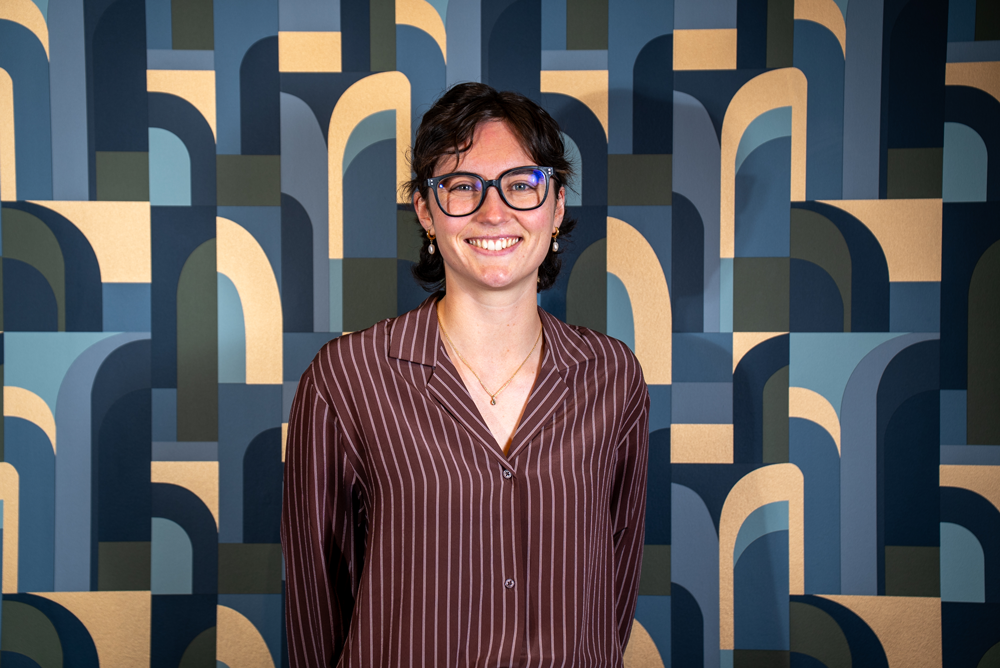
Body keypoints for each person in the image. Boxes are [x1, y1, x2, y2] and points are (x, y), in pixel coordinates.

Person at [281, 82, 650, 667]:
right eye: (462, 186)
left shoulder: (612, 377)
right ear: (427, 212)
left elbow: (615, 582)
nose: (494, 211)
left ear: (556, 207)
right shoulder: (346, 380)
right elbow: (314, 601)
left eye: (522, 185)